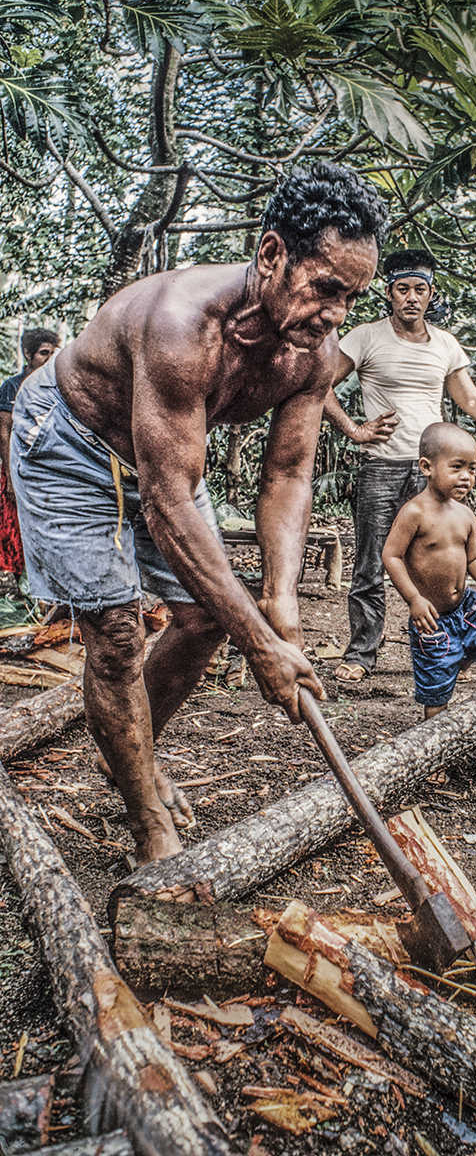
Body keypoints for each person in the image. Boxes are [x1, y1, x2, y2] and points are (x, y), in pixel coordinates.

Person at [11, 162, 387, 865]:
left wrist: (280, 596)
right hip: (70, 441)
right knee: (118, 636)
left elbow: (288, 472)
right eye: (326, 288)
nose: (336, 313)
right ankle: (147, 815)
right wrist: (263, 647)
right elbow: (169, 503)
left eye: (352, 298)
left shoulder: (315, 355)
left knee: (207, 616)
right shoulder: (184, 325)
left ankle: (131, 754)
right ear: (272, 255)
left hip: (165, 461)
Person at [322, 248, 476, 684]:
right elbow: (320, 384)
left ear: (431, 294)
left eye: (419, 289)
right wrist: (353, 429)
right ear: (389, 293)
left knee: (444, 561)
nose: (410, 297)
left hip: (433, 476)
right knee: (372, 562)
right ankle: (362, 654)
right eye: (402, 289)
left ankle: (443, 650)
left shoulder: (445, 344)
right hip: (381, 466)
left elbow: (473, 402)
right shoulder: (365, 337)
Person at [382, 422, 476, 717]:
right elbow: (391, 556)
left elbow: (474, 558)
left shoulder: (466, 515)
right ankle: (433, 748)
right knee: (437, 693)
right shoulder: (414, 512)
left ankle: (468, 661)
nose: (466, 477)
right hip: (433, 621)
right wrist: (414, 599)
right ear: (427, 467)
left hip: (466, 608)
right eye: (457, 467)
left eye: (473, 469)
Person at [0, 329, 58, 577]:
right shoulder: (12, 387)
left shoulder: (56, 386)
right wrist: (11, 478)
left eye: (54, 353)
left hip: (47, 470)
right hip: (17, 466)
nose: (50, 358)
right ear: (28, 354)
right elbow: (4, 432)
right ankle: (18, 581)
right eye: (44, 353)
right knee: (14, 527)